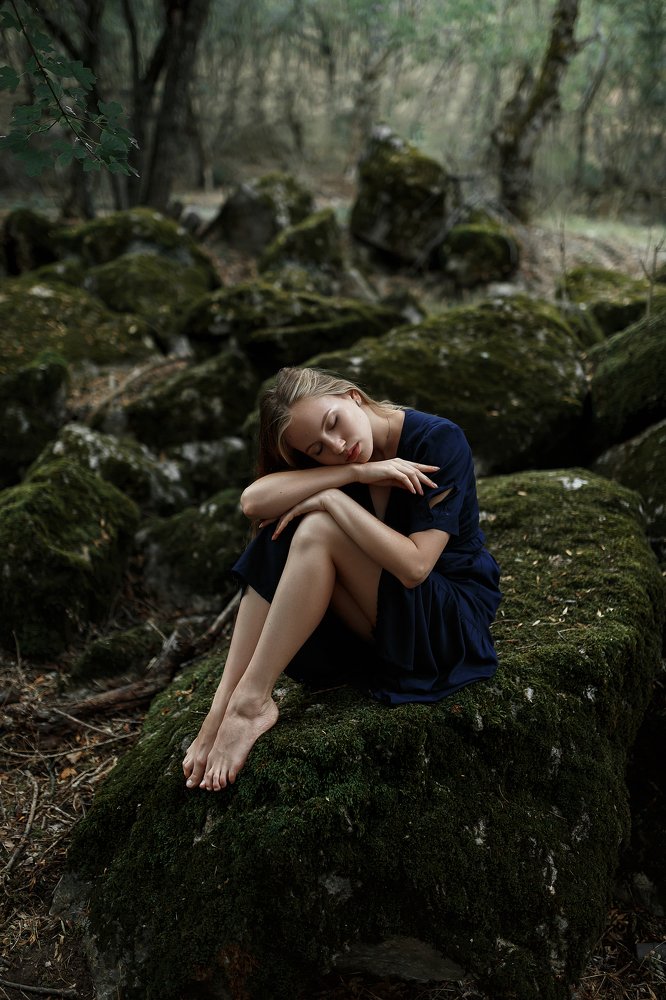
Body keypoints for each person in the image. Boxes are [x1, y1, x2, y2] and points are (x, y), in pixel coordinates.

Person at [182, 366, 501, 792]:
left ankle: (251, 701)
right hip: (384, 625)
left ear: (353, 396)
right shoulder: (347, 463)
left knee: (316, 524)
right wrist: (353, 475)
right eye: (317, 448)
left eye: (334, 422)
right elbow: (252, 502)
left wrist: (332, 499)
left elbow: (415, 567)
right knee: (281, 533)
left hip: (446, 622)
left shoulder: (438, 439)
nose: (336, 446)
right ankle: (224, 704)